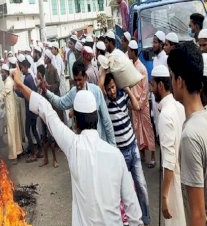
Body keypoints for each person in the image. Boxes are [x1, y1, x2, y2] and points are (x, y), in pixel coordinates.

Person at [13, 68, 143, 225]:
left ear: (77, 123)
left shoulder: (73, 146)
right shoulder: (116, 156)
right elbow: (133, 212)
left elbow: (47, 111)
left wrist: (20, 85)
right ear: (96, 116)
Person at [168, 42, 207, 225]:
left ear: (179, 81)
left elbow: (198, 215)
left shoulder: (190, 137)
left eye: (171, 77)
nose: (170, 83)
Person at [103, 73, 151, 225]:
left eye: (113, 87)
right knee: (123, 191)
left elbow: (137, 107)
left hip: (133, 148)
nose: (112, 91)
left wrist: (127, 89)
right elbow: (99, 88)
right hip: (120, 154)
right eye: (108, 88)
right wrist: (104, 71)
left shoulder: (123, 97)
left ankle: (145, 219)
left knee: (141, 185)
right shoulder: (105, 104)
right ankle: (128, 220)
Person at [42, 61, 116, 145]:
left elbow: (106, 120)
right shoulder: (73, 92)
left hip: (99, 141)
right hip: (83, 144)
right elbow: (60, 103)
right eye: (75, 80)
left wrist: (112, 145)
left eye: (80, 80)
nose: (77, 83)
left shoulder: (96, 91)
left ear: (85, 77)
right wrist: (46, 91)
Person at [150, 65, 186, 226]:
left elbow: (169, 160)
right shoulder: (179, 106)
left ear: (160, 86)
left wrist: (164, 196)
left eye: (152, 85)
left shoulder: (165, 115)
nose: (151, 90)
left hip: (174, 183)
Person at [128, 40, 156, 168]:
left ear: (133, 52)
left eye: (129, 51)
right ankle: (143, 155)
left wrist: (140, 103)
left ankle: (153, 157)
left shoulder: (142, 69)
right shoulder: (131, 66)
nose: (128, 53)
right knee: (137, 129)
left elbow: (145, 89)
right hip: (135, 104)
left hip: (142, 105)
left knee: (147, 129)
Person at [0, 64, 23, 164]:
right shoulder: (8, 81)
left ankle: (14, 156)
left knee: (12, 133)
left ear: (6, 73)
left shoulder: (8, 82)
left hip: (11, 110)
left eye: (2, 72)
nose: (1, 74)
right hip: (11, 110)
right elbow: (0, 92)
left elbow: (1, 95)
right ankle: (18, 152)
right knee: (14, 132)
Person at [15, 59, 42, 163]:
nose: (21, 69)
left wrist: (17, 91)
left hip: (29, 108)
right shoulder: (30, 77)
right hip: (33, 107)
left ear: (26, 67)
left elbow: (26, 95)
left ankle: (33, 153)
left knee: (27, 131)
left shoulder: (27, 79)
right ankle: (39, 150)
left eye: (22, 67)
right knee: (34, 130)